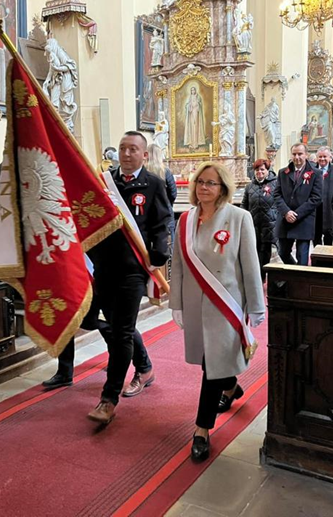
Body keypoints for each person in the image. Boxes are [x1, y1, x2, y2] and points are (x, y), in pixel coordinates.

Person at [169, 161, 265, 461]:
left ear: (223, 188)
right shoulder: (185, 219)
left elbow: (250, 264)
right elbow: (179, 266)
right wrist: (177, 304)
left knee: (211, 366)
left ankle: (201, 429)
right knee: (209, 362)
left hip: (226, 304)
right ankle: (231, 387)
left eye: (211, 183)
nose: (204, 188)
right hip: (196, 305)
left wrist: (257, 305)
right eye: (200, 182)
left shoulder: (239, 217)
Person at [86, 131, 172, 424]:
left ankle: (108, 399)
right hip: (102, 268)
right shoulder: (103, 184)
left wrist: (159, 254)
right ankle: (144, 367)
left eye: (133, 149)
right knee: (113, 325)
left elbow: (161, 223)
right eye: (122, 148)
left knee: (121, 332)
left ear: (144, 155)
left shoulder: (154, 185)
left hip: (132, 270)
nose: (125, 154)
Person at [274, 143, 323, 266]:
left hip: (304, 220)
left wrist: (297, 214)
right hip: (286, 220)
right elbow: (277, 194)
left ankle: (300, 279)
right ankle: (294, 273)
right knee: (283, 252)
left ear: (306, 155)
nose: (297, 157)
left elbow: (316, 198)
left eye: (300, 154)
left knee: (302, 257)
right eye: (294, 154)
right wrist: (286, 212)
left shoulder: (315, 173)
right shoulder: (283, 172)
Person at [242, 159, 278, 280]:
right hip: (254, 224)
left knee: (265, 251)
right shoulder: (249, 186)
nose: (259, 172)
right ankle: (258, 276)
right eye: (257, 170)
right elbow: (244, 204)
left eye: (262, 169)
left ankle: (263, 276)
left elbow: (279, 202)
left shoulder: (275, 183)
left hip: (269, 224)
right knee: (255, 251)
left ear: (267, 170)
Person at [145, 143, 177, 243]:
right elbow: (173, 193)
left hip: (147, 210)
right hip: (164, 211)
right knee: (168, 241)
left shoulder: (143, 171)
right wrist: (168, 203)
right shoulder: (165, 171)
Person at [313, 146, 333, 247]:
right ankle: (316, 258)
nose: (322, 159)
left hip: (329, 208)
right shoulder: (311, 170)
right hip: (315, 209)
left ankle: (326, 258)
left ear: (330, 157)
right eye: (320, 157)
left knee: (328, 235)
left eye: (324, 156)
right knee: (315, 236)